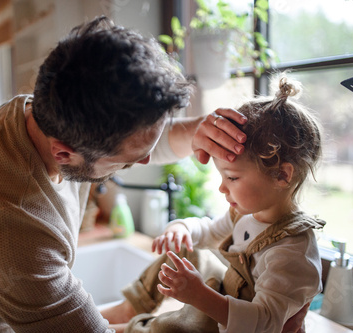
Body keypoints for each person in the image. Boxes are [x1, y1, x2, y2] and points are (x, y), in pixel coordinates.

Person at [0, 16, 248, 332]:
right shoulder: (12, 224)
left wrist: (198, 129)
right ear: (63, 152)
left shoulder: (40, 110)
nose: (142, 162)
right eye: (126, 163)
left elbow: (133, 140)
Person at [104, 74, 326, 333]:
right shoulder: (246, 214)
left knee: (171, 328)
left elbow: (264, 323)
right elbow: (209, 232)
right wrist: (184, 229)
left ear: (282, 175)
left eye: (232, 177)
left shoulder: (291, 254)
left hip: (236, 325)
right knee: (187, 251)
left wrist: (199, 296)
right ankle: (129, 308)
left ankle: (130, 329)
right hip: (226, 295)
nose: (222, 188)